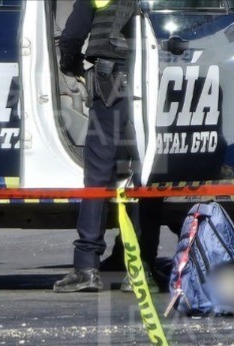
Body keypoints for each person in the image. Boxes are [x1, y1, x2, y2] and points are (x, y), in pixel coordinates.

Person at [54, 0, 162, 293]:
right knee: (147, 172)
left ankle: (87, 266)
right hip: (156, 80)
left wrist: (70, 62)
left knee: (98, 173)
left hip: (111, 80)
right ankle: (141, 268)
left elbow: (72, 36)